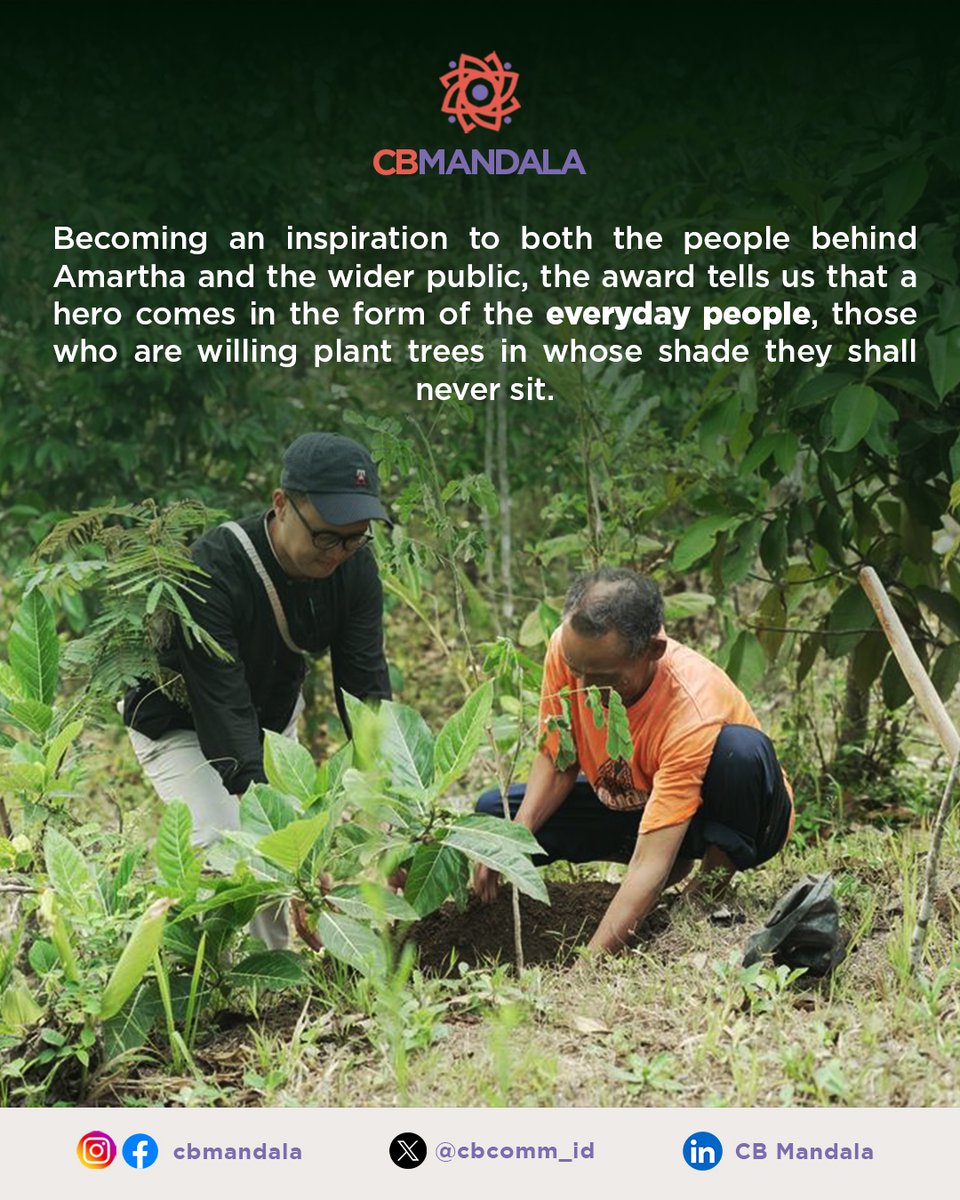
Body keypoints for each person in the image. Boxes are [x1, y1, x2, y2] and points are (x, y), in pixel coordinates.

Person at [122, 432, 392, 943]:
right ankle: (208, 982)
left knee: (278, 886)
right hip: (182, 724)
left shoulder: (355, 567)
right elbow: (223, 712)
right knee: (229, 852)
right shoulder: (213, 568)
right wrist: (298, 847)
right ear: (281, 505)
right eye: (326, 537)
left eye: (354, 538)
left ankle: (275, 985)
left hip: (269, 715)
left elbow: (365, 690)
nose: (339, 552)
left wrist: (390, 815)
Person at [474, 569, 794, 954]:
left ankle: (709, 883)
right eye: (578, 674)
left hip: (728, 814)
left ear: (652, 651)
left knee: (738, 750)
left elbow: (649, 861)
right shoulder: (572, 650)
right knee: (494, 813)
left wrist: (591, 962)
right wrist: (511, 840)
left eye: (605, 678)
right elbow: (559, 759)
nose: (587, 689)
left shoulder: (691, 703)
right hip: (634, 799)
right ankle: (661, 869)